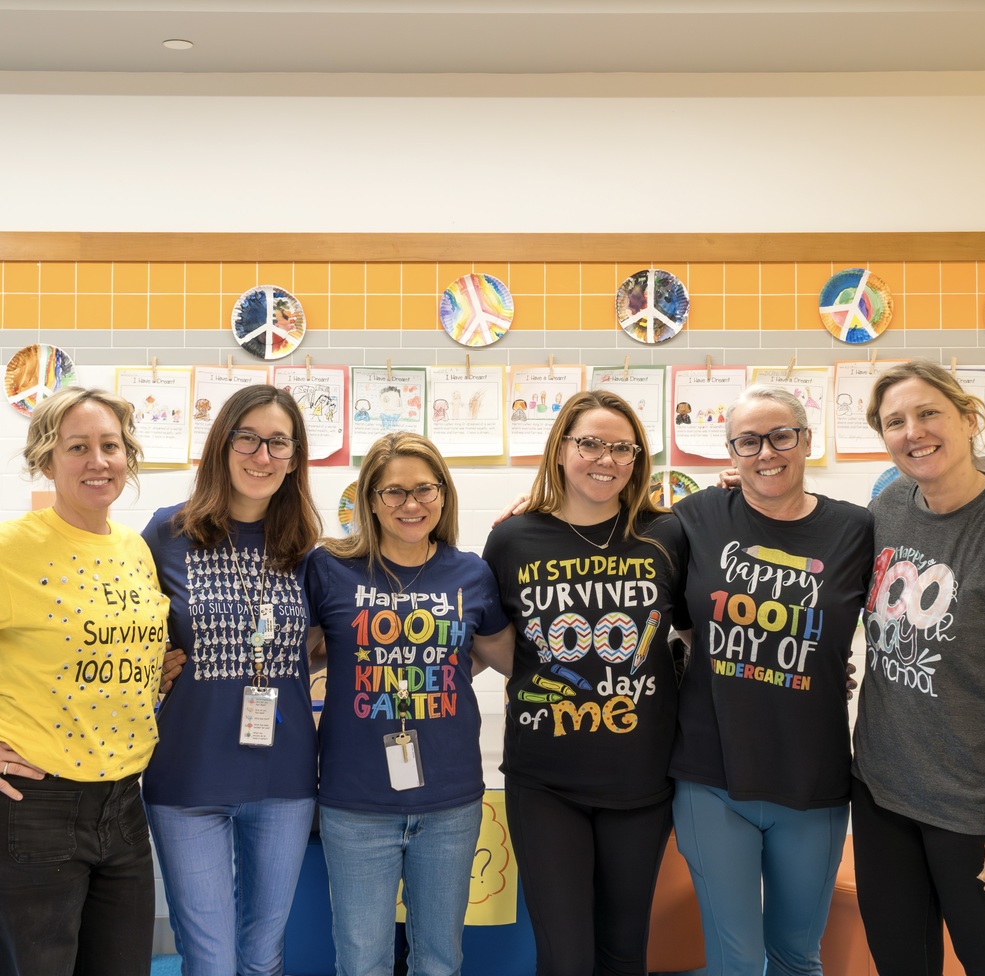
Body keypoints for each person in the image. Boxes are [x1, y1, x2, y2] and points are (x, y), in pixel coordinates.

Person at [482, 389, 686, 976]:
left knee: (624, 953)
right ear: (561, 448)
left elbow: (704, 631)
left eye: (623, 447)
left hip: (642, 781)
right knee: (564, 958)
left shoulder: (667, 534)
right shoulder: (514, 537)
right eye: (590, 443)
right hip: (545, 781)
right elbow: (494, 642)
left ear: (638, 459)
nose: (607, 458)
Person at [672, 386, 873, 976]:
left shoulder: (856, 529)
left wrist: (832, 666)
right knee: (735, 959)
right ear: (730, 452)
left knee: (796, 955)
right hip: (713, 773)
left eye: (781, 435)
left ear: (807, 440)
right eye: (748, 441)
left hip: (813, 775)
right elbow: (603, 526)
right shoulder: (695, 516)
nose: (767, 452)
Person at [306, 432, 513, 976]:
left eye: (425, 489)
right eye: (393, 492)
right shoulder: (329, 567)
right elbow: (293, 655)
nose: (412, 504)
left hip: (450, 799)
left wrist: (440, 664)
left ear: (443, 495)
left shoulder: (470, 572)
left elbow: (502, 652)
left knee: (440, 959)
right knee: (362, 960)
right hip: (355, 801)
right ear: (370, 498)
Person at [141, 385, 323, 976]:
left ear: (294, 458)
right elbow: (128, 634)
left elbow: (316, 647)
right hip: (187, 778)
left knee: (263, 958)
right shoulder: (166, 533)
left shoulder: (308, 553)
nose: (261, 455)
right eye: (247, 437)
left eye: (278, 443)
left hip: (285, 777)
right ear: (222, 444)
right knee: (212, 962)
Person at [852, 359, 985, 975]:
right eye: (894, 421)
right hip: (881, 794)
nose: (912, 431)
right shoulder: (889, 503)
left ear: (968, 418)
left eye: (928, 413)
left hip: (976, 812)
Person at [0, 387, 170, 976]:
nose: (98, 461)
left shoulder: (133, 548)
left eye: (111, 446)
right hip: (38, 801)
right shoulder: (11, 549)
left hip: (124, 800)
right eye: (78, 447)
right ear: (48, 459)